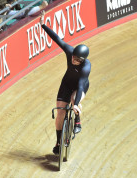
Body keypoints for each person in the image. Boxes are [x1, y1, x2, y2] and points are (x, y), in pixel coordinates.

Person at [40, 11, 91, 155]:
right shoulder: (70, 52)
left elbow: (80, 86)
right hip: (66, 84)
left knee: (75, 99)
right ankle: (58, 142)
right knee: (60, 112)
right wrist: (43, 25)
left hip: (80, 86)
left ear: (82, 60)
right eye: (73, 57)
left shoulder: (86, 67)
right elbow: (57, 39)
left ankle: (77, 120)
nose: (73, 61)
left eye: (76, 60)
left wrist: (75, 105)